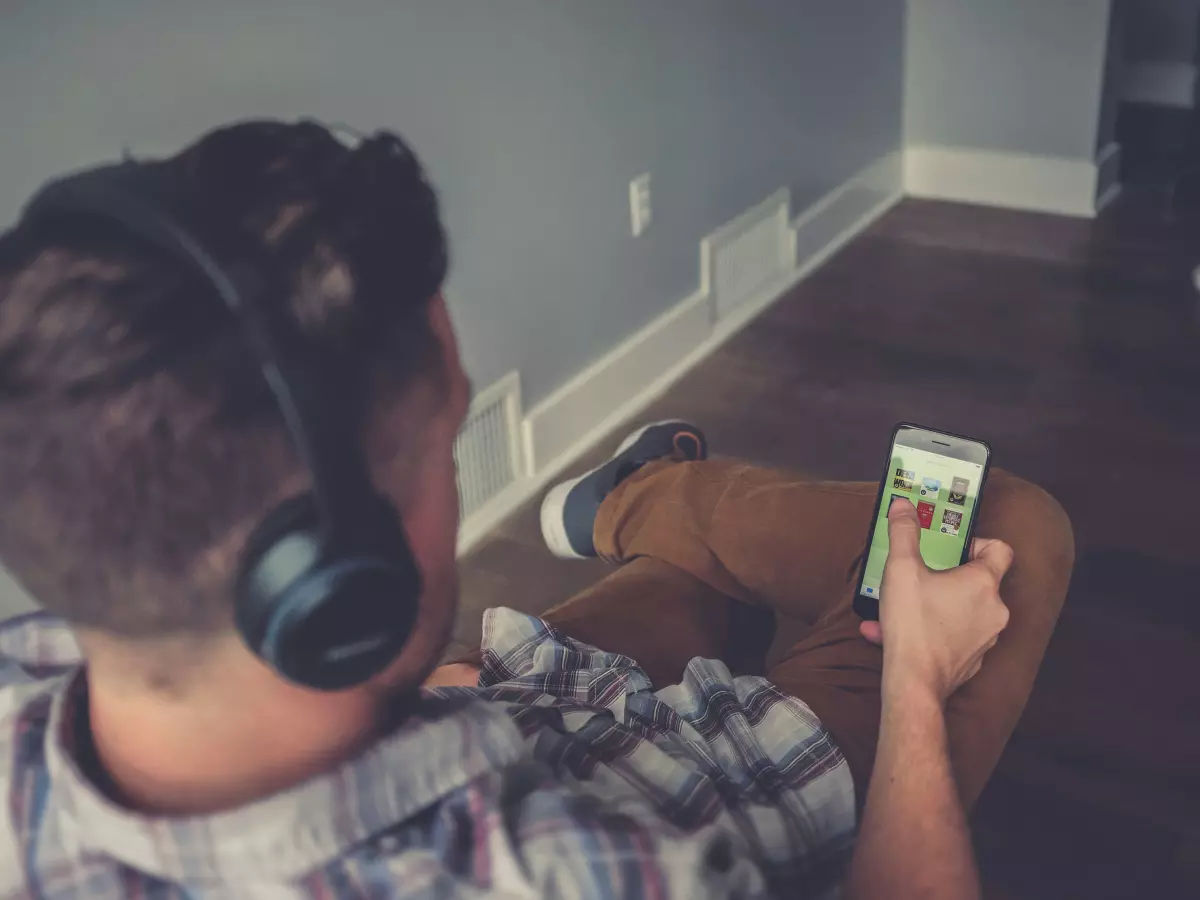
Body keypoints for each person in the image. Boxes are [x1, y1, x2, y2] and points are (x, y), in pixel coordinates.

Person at [0, 120, 1075, 899]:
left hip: (500, 700)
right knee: (1012, 528)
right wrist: (917, 690)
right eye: (447, 444)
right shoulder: (583, 877)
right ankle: (648, 496)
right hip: (709, 783)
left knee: (682, 592)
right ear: (340, 586)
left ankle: (650, 506)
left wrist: (427, 692)